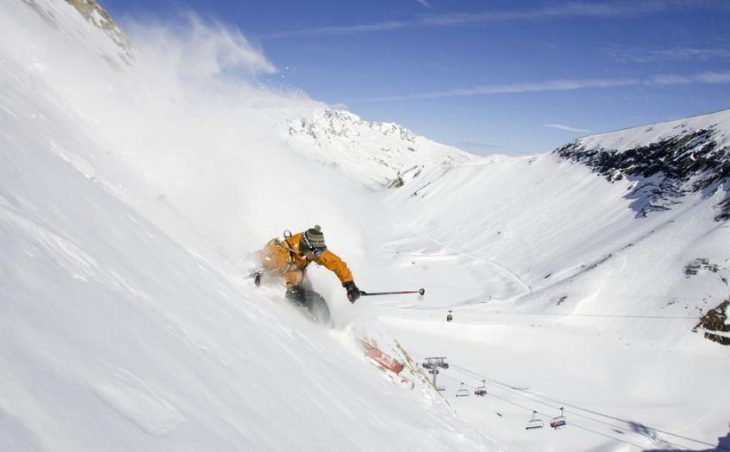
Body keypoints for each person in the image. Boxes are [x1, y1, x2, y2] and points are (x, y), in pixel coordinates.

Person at [255, 225, 361, 306]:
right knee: (310, 300)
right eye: (316, 253)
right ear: (306, 247)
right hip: (283, 284)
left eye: (320, 252)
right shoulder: (282, 255)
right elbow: (260, 258)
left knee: (316, 299)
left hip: (298, 277)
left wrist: (349, 285)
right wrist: (256, 273)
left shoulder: (311, 250)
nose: (318, 256)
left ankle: (330, 328)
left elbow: (336, 263)